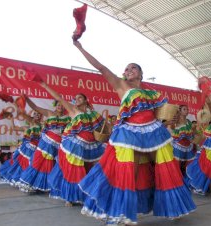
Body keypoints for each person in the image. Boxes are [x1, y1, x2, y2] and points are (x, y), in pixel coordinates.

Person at [73, 40, 196, 225]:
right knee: (133, 170)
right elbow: (101, 67)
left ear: (140, 73)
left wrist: (168, 121)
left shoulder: (151, 94)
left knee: (164, 167)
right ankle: (125, 212)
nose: (129, 70)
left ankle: (173, 207)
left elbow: (159, 115)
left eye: (133, 68)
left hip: (153, 131)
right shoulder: (122, 86)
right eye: (127, 68)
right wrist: (80, 47)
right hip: (131, 133)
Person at [36, 81, 106, 206]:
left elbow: (106, 126)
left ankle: (86, 194)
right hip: (75, 146)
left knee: (89, 169)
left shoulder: (94, 114)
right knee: (74, 171)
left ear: (85, 100)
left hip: (91, 146)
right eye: (75, 98)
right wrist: (45, 85)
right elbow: (59, 98)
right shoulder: (73, 110)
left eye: (80, 97)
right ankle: (70, 197)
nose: (77, 99)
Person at [19, 97, 71, 192]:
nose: (60, 107)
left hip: (58, 144)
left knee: (49, 164)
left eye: (62, 105)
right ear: (56, 105)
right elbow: (35, 107)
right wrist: (26, 99)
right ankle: (28, 182)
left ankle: (42, 184)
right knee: (38, 162)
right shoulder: (49, 113)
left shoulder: (68, 118)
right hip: (46, 142)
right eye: (59, 105)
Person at [0, 110, 42, 185]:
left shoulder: (42, 126)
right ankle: (21, 179)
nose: (37, 115)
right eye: (35, 114)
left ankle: (28, 180)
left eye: (38, 114)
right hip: (25, 149)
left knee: (31, 165)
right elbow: (14, 128)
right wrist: (12, 119)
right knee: (20, 164)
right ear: (31, 116)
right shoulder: (26, 128)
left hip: (36, 149)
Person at [170, 105, 195, 175]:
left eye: (187, 109)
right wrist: (173, 122)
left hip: (188, 146)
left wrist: (194, 129)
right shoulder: (176, 120)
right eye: (184, 109)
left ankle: (188, 179)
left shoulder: (189, 121)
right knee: (178, 164)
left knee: (190, 164)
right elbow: (171, 127)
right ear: (180, 111)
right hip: (179, 146)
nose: (187, 110)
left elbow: (192, 133)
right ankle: (177, 180)